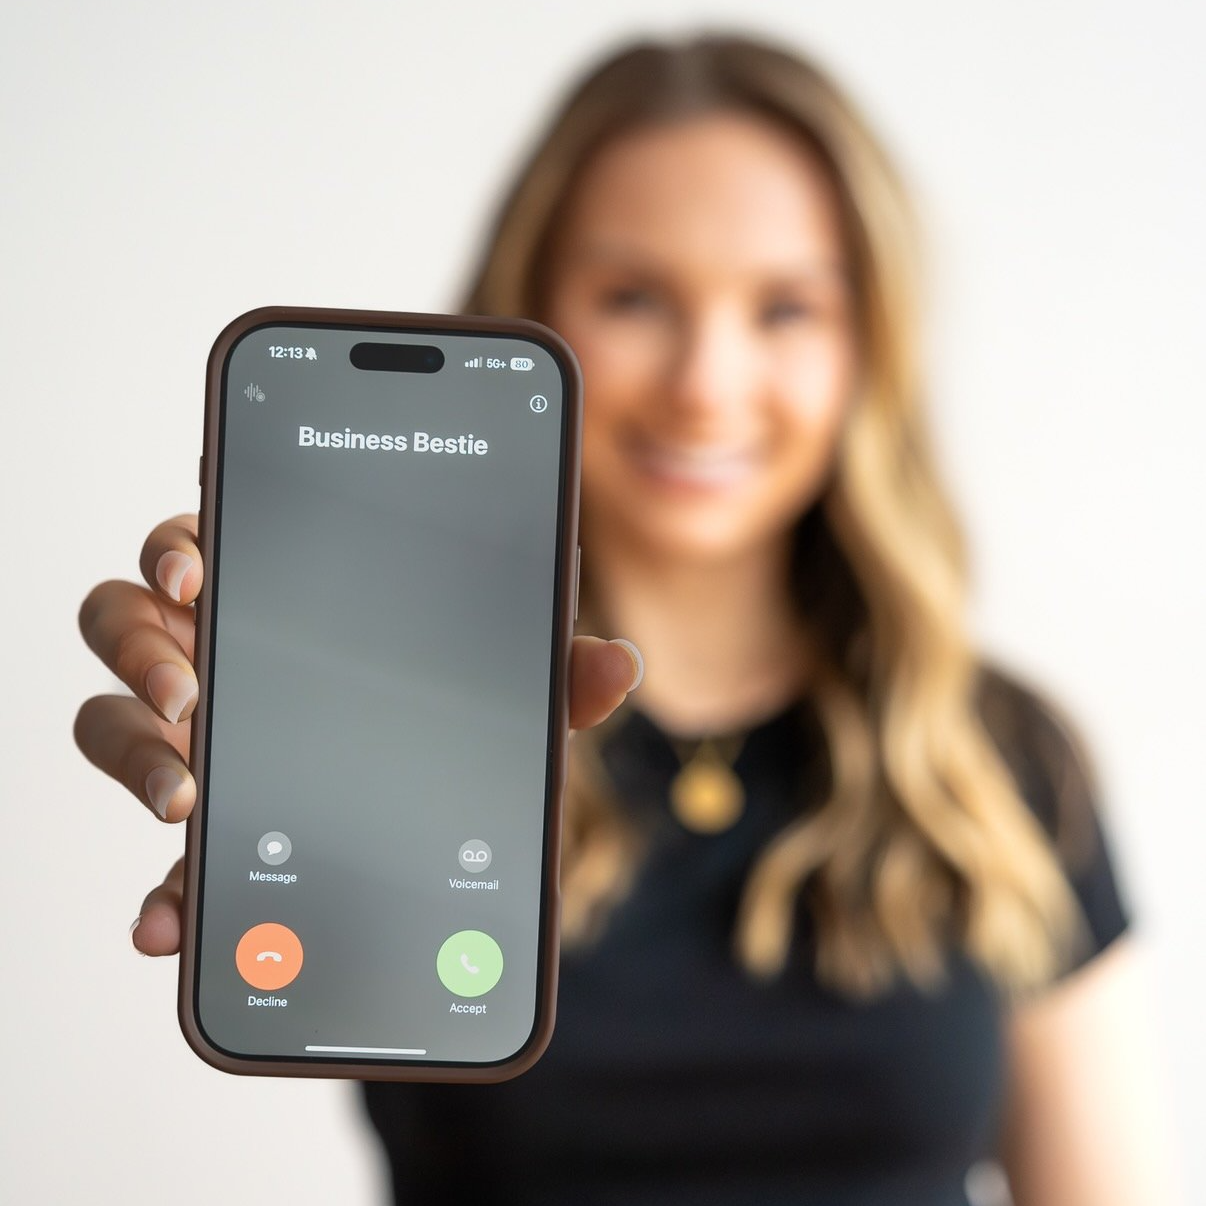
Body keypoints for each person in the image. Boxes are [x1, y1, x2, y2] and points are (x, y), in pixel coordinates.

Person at [75, 32, 1173, 1206]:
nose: (706, 380)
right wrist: (281, 811)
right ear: (534, 308)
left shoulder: (996, 755)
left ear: (869, 347)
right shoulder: (420, 724)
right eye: (636, 296)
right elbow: (301, 994)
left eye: (787, 306)